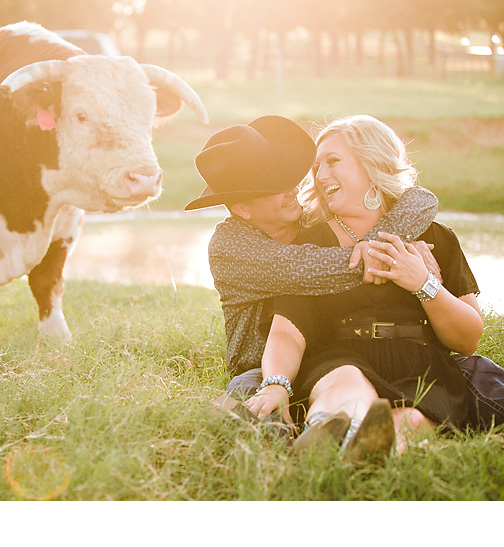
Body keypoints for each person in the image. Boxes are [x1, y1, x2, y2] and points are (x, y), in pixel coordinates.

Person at [244, 115, 484, 459]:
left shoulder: (436, 237)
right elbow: (287, 331)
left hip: (422, 365)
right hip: (340, 358)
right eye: (317, 167)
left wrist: (423, 283)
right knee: (346, 384)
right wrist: (276, 384)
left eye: (333, 161)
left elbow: (468, 340)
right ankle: (328, 436)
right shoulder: (311, 243)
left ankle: (363, 450)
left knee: (412, 418)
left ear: (372, 162)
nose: (320, 175)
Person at [184, 116, 439, 408]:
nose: (293, 191)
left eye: (288, 181)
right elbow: (305, 269)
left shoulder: (311, 220)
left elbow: (421, 199)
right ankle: (265, 427)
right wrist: (384, 254)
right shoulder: (230, 246)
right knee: (255, 398)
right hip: (262, 364)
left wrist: (390, 242)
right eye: (274, 188)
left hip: (328, 356)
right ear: (243, 209)